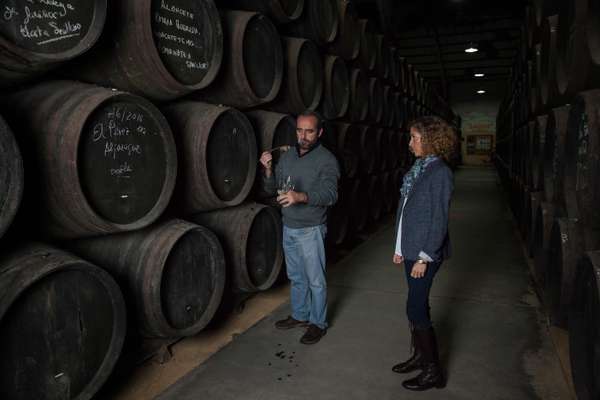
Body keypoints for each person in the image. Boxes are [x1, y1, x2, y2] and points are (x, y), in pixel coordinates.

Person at [259, 110, 340, 345]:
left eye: (309, 131)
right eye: (299, 130)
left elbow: (331, 194)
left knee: (316, 279)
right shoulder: (288, 156)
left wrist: (301, 196)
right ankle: (300, 315)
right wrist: (268, 168)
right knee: (296, 276)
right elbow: (272, 188)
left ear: (319, 132)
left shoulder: (327, 160)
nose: (303, 135)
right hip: (289, 225)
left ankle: (318, 323)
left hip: (311, 228)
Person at [391, 116, 456, 391]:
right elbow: (406, 211)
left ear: (429, 140)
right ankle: (420, 356)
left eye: (414, 138)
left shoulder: (440, 172)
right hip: (410, 249)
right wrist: (398, 248)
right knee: (418, 304)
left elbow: (438, 220)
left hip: (424, 253)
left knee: (415, 307)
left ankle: (433, 372)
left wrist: (423, 257)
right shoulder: (420, 167)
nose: (410, 143)